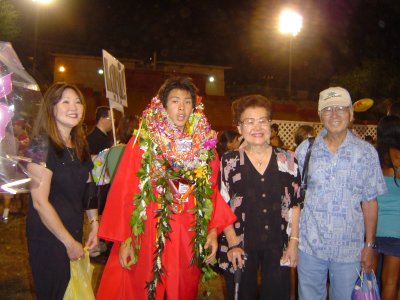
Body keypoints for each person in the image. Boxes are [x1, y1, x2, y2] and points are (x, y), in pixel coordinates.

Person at [96, 77, 244, 300]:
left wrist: (212, 231)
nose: (182, 107)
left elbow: (211, 193)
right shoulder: (143, 143)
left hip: (186, 234)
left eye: (187, 101)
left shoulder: (204, 147)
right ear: (163, 105)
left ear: (194, 106)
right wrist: (125, 240)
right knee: (143, 288)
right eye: (175, 101)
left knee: (181, 290)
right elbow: (125, 191)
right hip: (148, 231)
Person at [295, 86, 387, 300]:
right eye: (328, 109)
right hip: (310, 247)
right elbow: (295, 199)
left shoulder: (366, 153)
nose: (334, 114)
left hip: (350, 251)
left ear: (351, 114)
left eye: (340, 108)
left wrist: (369, 245)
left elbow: (370, 202)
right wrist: (293, 240)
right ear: (320, 115)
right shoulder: (305, 150)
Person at [218, 94, 303, 300]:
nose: (257, 127)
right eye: (249, 122)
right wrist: (232, 243)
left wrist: (293, 242)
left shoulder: (287, 158)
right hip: (240, 245)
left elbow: (296, 204)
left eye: (263, 121)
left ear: (270, 125)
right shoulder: (230, 161)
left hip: (278, 245)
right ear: (240, 128)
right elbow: (222, 202)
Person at [25, 83, 99, 299]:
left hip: (75, 233)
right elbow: (39, 202)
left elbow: (88, 186)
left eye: (77, 102)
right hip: (49, 238)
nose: (73, 107)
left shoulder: (79, 144)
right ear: (51, 107)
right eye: (65, 101)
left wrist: (94, 224)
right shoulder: (40, 145)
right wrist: (68, 242)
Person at [374, 115, 400, 300]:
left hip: (372, 226)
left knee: (368, 278)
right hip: (396, 228)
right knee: (390, 282)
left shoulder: (372, 156)